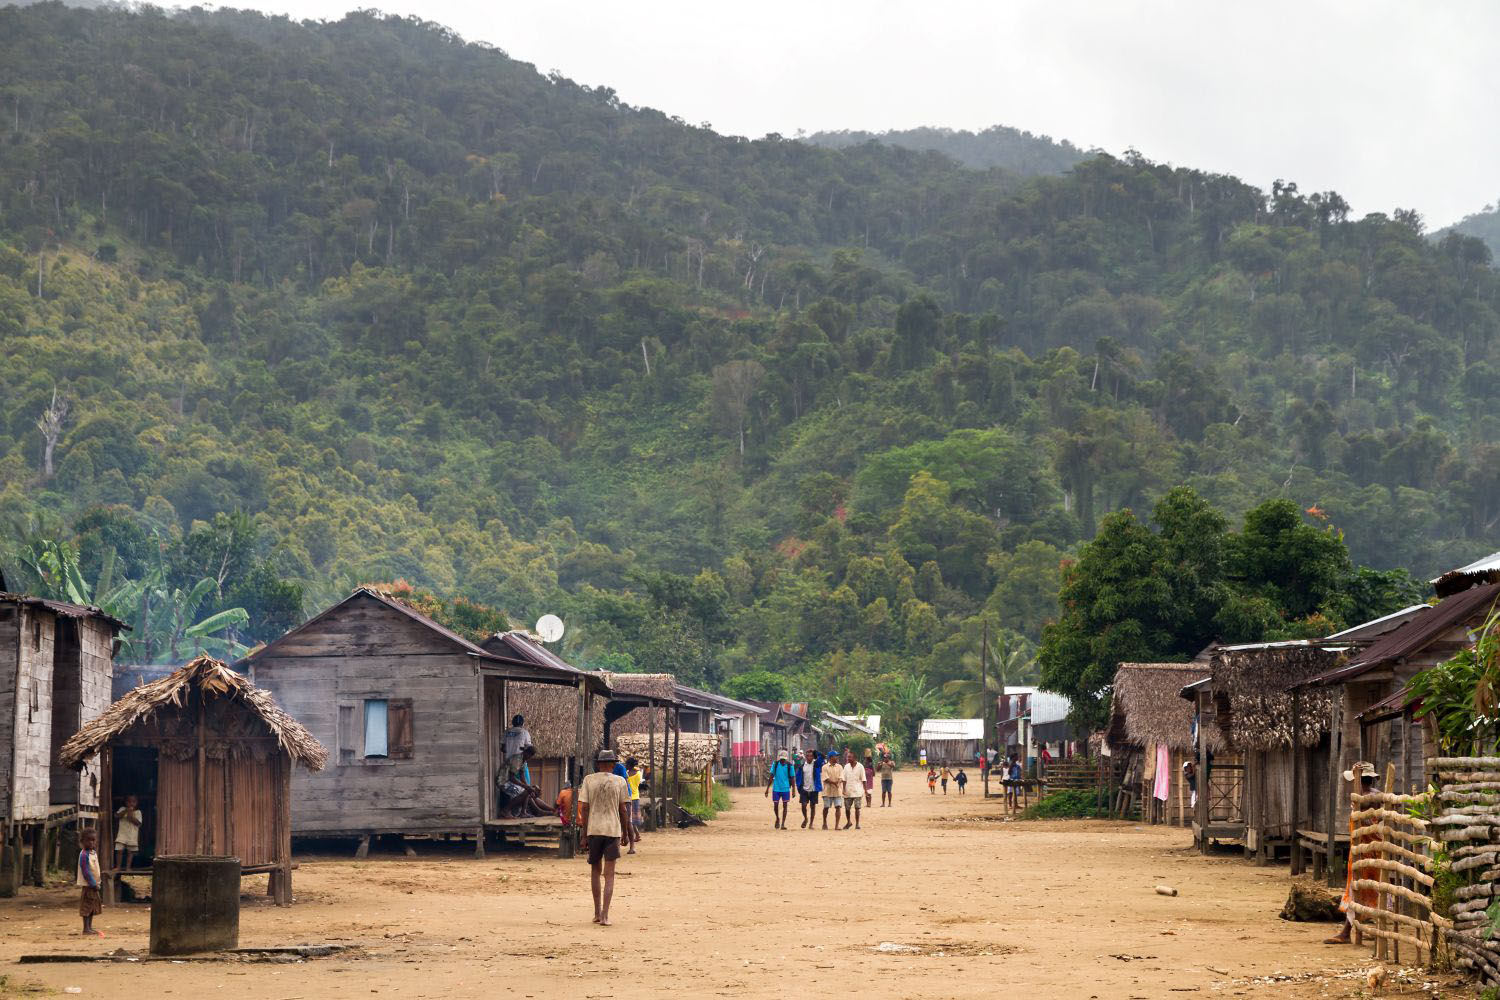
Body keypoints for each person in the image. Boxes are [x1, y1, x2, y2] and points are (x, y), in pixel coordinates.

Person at [1327, 762, 1380, 945]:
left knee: (1357, 889)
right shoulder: (1371, 796)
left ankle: (1346, 932)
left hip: (1366, 849)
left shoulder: (1367, 797)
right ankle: (1366, 929)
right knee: (1371, 889)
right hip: (1368, 848)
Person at [579, 750, 631, 927]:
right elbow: (623, 810)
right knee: (609, 875)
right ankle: (605, 915)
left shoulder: (589, 780)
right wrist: (625, 832)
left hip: (594, 829)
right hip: (612, 830)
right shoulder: (619, 781)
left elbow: (584, 808)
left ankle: (596, 912)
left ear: (599, 764)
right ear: (613, 765)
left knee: (595, 870)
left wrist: (584, 834)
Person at [78, 828, 102, 936]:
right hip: (89, 885)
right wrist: (93, 884)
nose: (91, 842)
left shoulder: (93, 853)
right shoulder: (84, 855)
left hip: (94, 884)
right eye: (88, 840)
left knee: (92, 907)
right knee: (87, 906)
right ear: (82, 841)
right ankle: (86, 928)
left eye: (93, 840)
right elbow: (86, 872)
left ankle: (89, 927)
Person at [764, 749, 795, 829]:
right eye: (781, 759)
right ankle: (777, 818)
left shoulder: (790, 766)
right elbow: (771, 776)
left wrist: (793, 790)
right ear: (779, 758)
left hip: (785, 788)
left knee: (785, 806)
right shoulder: (775, 764)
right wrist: (767, 789)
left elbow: (792, 778)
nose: (782, 760)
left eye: (783, 759)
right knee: (775, 805)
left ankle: (783, 824)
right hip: (776, 788)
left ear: (786, 758)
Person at [795, 748, 823, 830]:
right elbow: (798, 778)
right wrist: (799, 787)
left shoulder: (816, 764)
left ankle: (811, 823)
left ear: (813, 757)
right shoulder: (802, 766)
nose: (809, 757)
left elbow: (822, 756)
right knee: (803, 805)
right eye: (807, 756)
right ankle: (806, 818)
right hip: (804, 789)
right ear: (805, 757)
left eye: (811, 756)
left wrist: (815, 751)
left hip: (814, 789)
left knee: (812, 806)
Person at [114, 795, 142, 871]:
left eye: (133, 802)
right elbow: (117, 816)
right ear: (126, 803)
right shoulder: (122, 809)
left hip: (132, 835)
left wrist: (131, 815)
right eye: (129, 802)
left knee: (130, 852)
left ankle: (128, 867)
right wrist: (126, 810)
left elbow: (138, 823)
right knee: (119, 851)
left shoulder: (138, 812)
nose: (131, 803)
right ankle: (118, 867)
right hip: (122, 834)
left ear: (137, 803)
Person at [502, 714, 533, 780]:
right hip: (520, 762)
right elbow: (530, 749)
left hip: (508, 763)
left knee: (510, 784)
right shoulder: (525, 733)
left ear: (513, 722)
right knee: (525, 784)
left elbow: (502, 748)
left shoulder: (506, 732)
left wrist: (510, 749)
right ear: (522, 723)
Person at [841, 750, 865, 830]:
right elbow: (844, 779)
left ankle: (857, 824)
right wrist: (843, 789)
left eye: (850, 757)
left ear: (854, 758)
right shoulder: (846, 767)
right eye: (848, 757)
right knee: (847, 808)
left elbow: (863, 779)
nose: (848, 758)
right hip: (848, 790)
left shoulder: (860, 766)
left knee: (857, 808)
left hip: (857, 790)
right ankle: (849, 822)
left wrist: (865, 790)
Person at [821, 752, 845, 830]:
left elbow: (842, 777)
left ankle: (837, 825)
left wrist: (839, 781)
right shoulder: (825, 767)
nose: (837, 757)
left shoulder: (840, 767)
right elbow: (826, 779)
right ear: (831, 757)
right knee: (826, 807)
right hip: (827, 790)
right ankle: (824, 823)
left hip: (837, 790)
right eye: (836, 756)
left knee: (838, 807)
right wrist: (835, 783)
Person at [625, 758, 644, 853]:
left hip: (629, 798)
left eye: (626, 764)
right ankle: (637, 835)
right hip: (636, 797)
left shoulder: (626, 774)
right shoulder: (638, 773)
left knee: (629, 821)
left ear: (629, 765)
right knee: (632, 820)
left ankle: (633, 838)